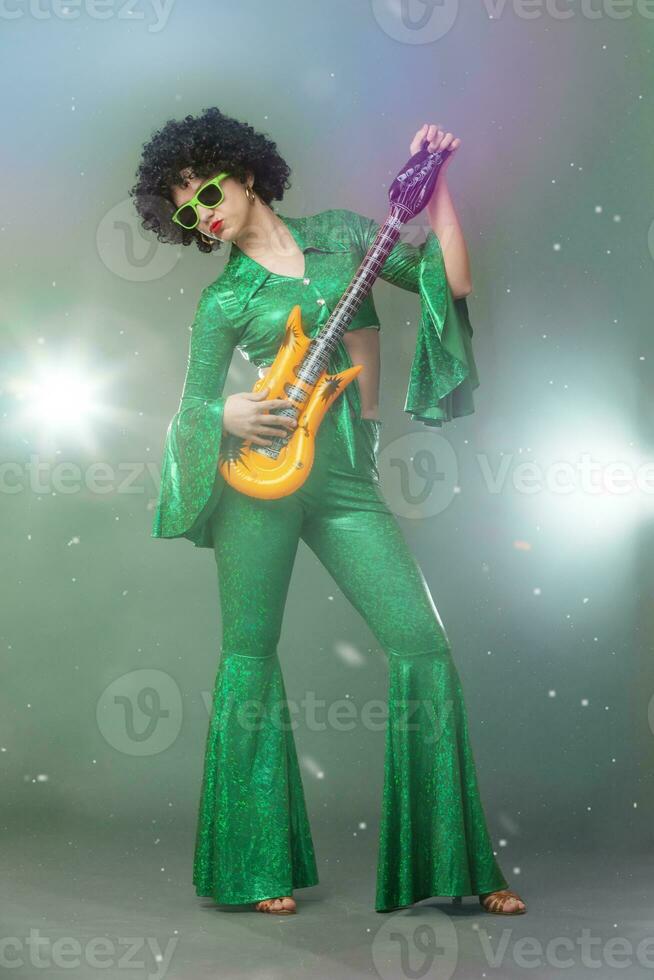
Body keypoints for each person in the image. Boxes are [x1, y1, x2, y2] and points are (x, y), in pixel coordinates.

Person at [130, 107, 527, 917]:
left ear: (243, 173)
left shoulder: (347, 236)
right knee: (249, 654)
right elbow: (191, 410)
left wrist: (437, 187)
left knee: (422, 646)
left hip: (346, 481)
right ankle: (253, 865)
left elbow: (449, 284)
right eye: (185, 211)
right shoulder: (222, 302)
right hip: (255, 484)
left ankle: (457, 864)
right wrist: (228, 416)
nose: (202, 211)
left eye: (207, 189)